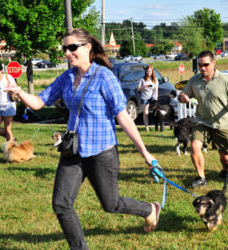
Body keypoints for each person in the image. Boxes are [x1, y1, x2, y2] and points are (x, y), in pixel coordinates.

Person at [10, 28, 160, 249]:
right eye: (64, 49)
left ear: (87, 48)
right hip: (73, 150)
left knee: (111, 204)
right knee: (61, 204)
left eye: (72, 47)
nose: (67, 53)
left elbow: (124, 117)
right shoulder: (66, 77)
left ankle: (149, 209)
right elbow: (39, 102)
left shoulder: (104, 76)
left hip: (102, 151)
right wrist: (20, 92)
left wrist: (145, 153)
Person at [178, 50, 228, 188]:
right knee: (194, 146)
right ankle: (201, 178)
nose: (202, 68)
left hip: (222, 122)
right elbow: (182, 95)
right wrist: (183, 97)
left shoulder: (225, 80)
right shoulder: (194, 80)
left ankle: (225, 170)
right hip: (201, 120)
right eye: (200, 65)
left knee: (225, 155)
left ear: (214, 63)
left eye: (206, 65)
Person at [137, 65, 159, 131]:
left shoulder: (155, 80)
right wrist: (144, 87)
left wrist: (156, 99)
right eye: (147, 71)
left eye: (150, 71)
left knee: (156, 112)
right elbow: (138, 89)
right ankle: (147, 127)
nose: (148, 73)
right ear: (145, 72)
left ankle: (157, 126)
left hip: (152, 97)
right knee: (146, 113)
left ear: (152, 72)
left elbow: (156, 90)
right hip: (144, 97)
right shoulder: (142, 79)